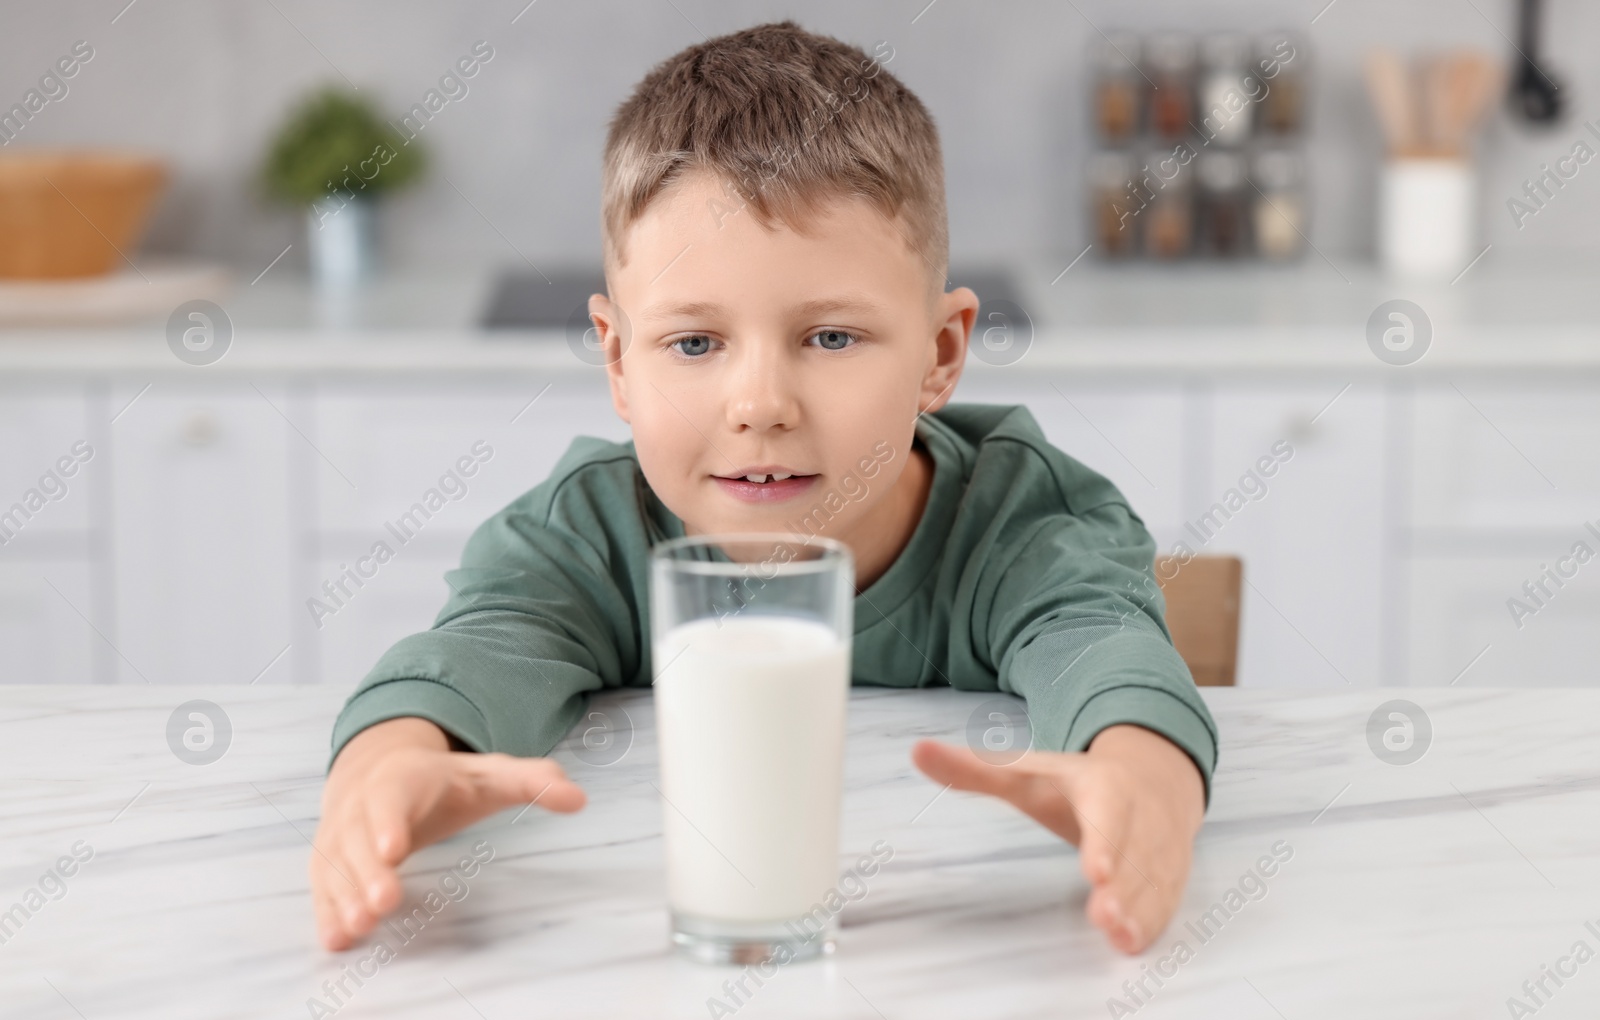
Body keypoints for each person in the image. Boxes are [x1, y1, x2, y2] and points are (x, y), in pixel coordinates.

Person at [311, 20, 1216, 958]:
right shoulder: (588, 531)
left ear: (940, 354)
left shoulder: (1022, 521)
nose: (760, 406)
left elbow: (1111, 658)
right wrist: (389, 766)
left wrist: (1141, 783)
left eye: (830, 337)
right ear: (618, 362)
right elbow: (476, 653)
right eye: (694, 343)